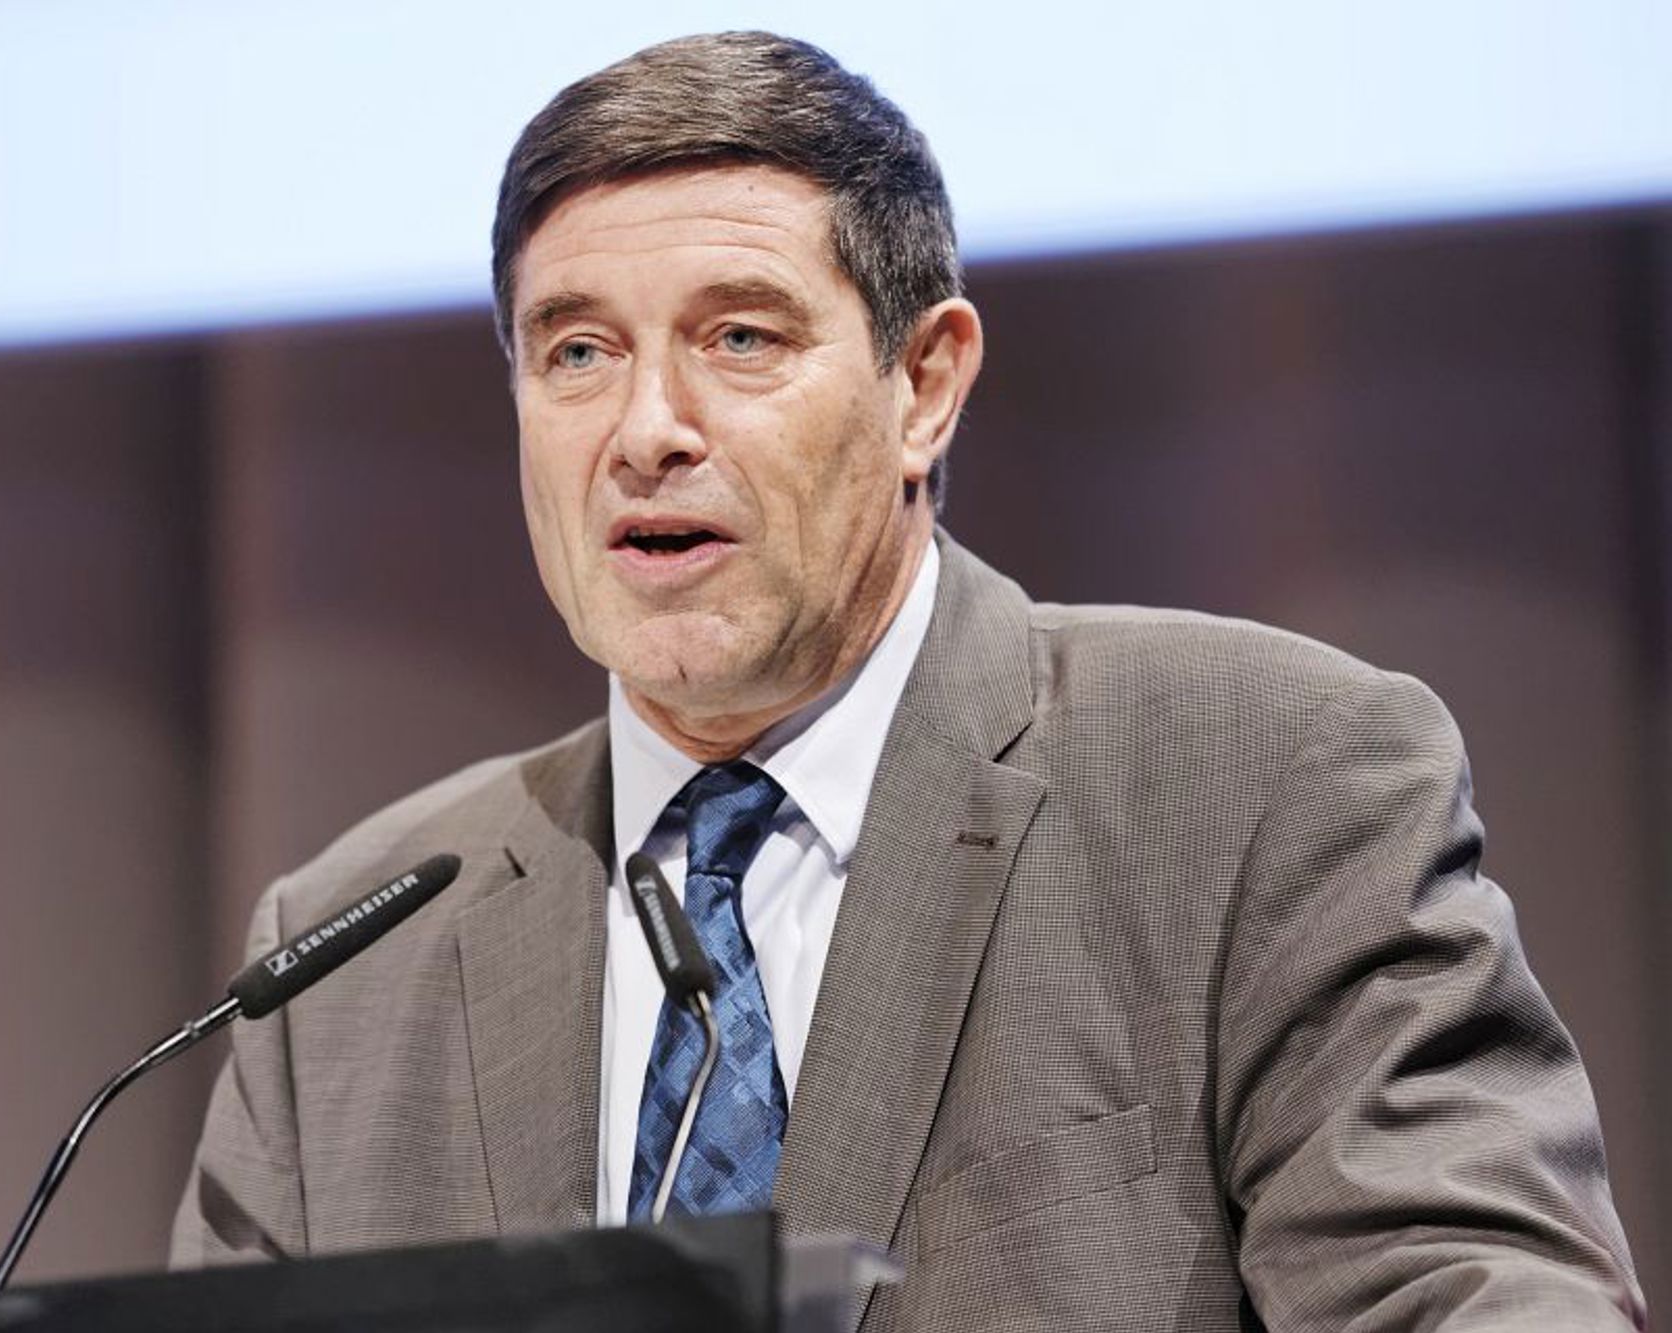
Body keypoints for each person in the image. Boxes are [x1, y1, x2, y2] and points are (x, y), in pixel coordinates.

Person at [173, 31, 1644, 1331]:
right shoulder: (342, 962)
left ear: (924, 384)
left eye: (740, 337)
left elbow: (1470, 1294)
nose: (646, 428)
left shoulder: (1265, 780)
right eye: (577, 352)